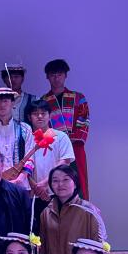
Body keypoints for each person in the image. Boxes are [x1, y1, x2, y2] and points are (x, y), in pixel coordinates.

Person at [40, 164, 102, 254]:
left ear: (75, 183)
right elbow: (43, 249)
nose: (60, 184)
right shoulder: (46, 213)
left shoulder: (89, 211)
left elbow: (99, 247)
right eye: (55, 181)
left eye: (66, 179)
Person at [42, 58, 90, 197]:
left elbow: (83, 121)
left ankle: (80, 209)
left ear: (65, 75)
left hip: (75, 147)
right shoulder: (43, 101)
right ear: (47, 77)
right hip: (53, 148)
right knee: (55, 180)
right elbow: (43, 127)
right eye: (53, 75)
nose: (56, 78)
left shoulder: (78, 98)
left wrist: (70, 140)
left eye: (60, 74)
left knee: (78, 181)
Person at [27, 100, 75, 220]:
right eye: (35, 113)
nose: (39, 116)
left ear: (49, 116)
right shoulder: (26, 138)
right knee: (33, 229)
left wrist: (45, 183)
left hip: (57, 192)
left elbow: (65, 162)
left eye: (43, 113)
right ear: (29, 117)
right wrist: (37, 187)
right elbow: (22, 166)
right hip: (32, 194)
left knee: (58, 227)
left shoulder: (61, 137)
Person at [0, 87, 35, 189]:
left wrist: (21, 178)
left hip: (20, 184)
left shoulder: (25, 129)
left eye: (5, 101)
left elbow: (30, 157)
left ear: (13, 103)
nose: (2, 105)